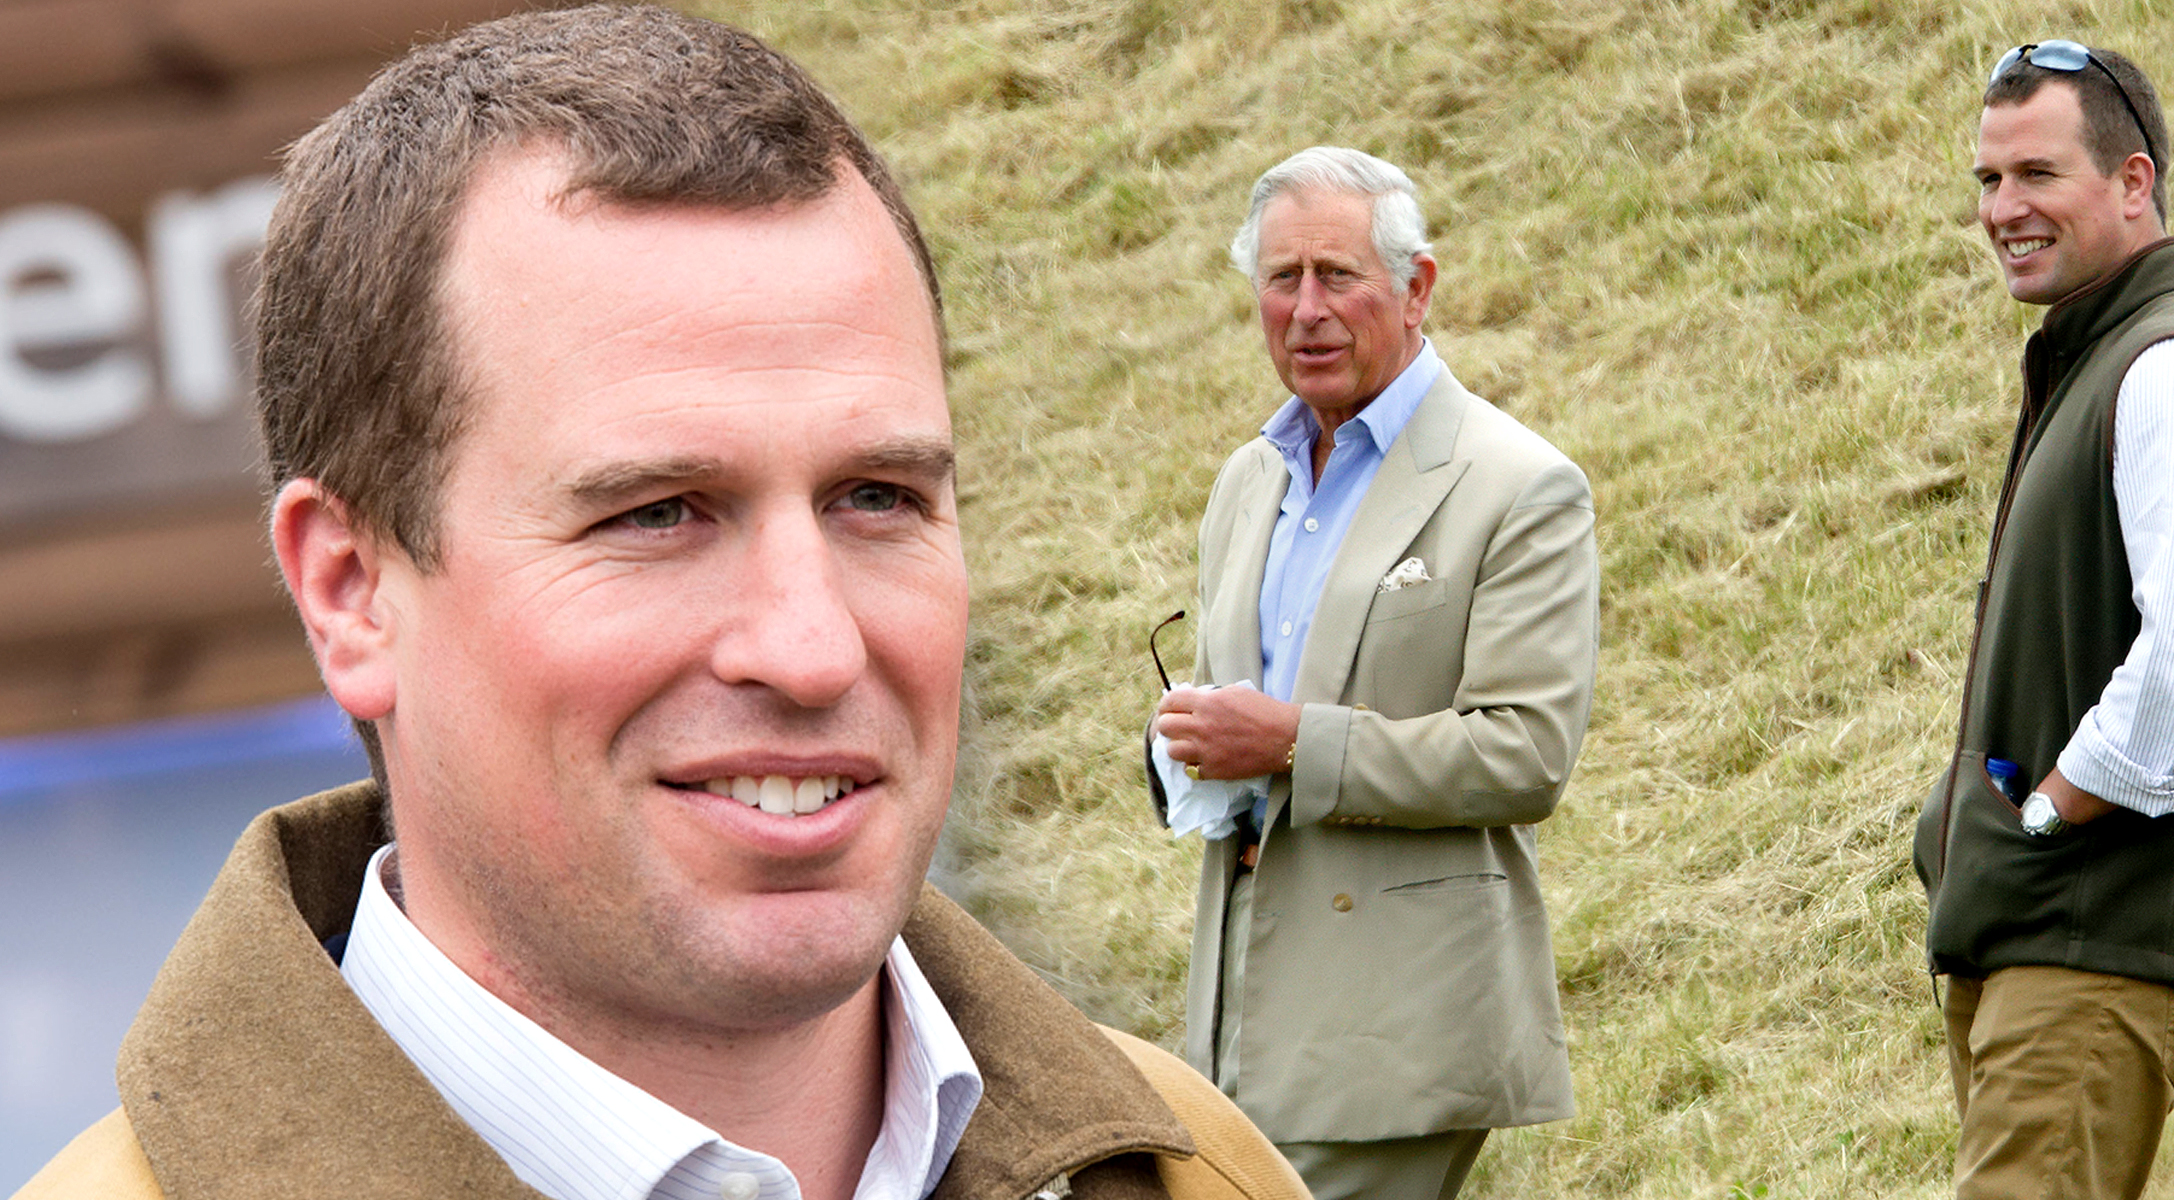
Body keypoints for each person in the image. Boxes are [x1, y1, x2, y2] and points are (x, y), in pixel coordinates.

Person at [14, 8, 1308, 1200]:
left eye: (876, 497)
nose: (811, 648)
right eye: (656, 515)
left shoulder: (1199, 1169)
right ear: (351, 593)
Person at [1148, 147, 1598, 1200]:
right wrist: (1183, 743)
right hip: (1243, 1017)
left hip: (1400, 1026)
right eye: (1280, 278)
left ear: (1416, 286)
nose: (1306, 309)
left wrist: (1293, 744)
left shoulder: (1519, 485)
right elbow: (1235, 714)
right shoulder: (1247, 480)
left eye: (1337, 275)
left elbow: (1525, 753)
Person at [1913, 40, 2174, 1200]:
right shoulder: (2099, 359)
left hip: (2095, 936)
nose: (2003, 209)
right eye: (1988, 181)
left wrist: (2044, 816)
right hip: (2048, 938)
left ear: (2134, 183)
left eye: (2037, 174)